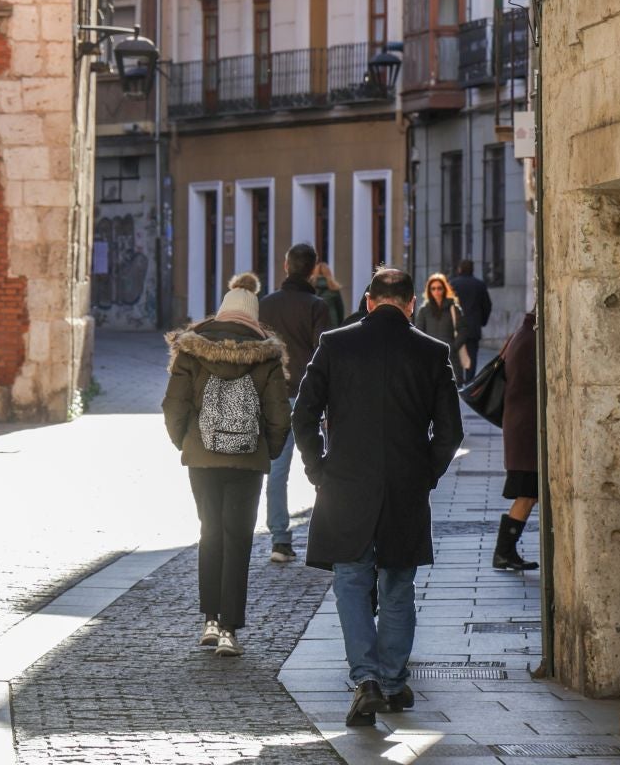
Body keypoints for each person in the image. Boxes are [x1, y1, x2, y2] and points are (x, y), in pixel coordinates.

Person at [296, 267, 463, 727]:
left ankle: (366, 680)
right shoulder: (432, 352)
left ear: (370, 301)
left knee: (351, 580)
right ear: (410, 303)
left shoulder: (335, 343)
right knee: (397, 585)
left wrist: (318, 470)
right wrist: (425, 474)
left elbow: (303, 414)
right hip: (404, 486)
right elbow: (451, 431)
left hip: (345, 484)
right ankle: (390, 680)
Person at [163, 274, 293, 659]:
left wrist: (186, 443)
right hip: (247, 459)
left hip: (201, 457)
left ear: (222, 309)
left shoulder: (193, 349)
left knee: (210, 533)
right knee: (238, 538)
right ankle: (229, 630)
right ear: (253, 317)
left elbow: (174, 405)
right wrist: (266, 450)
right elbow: (279, 415)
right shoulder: (266, 354)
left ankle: (208, 619)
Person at [260, 246, 333, 564]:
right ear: (314, 269)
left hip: (274, 395)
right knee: (323, 466)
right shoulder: (317, 306)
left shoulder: (266, 305)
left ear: (286, 265)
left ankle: (279, 539)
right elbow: (323, 353)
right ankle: (329, 534)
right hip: (309, 397)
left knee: (277, 471)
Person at [493, 312, 538, 571]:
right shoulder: (530, 339)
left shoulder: (521, 336)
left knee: (528, 494)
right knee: (527, 494)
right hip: (526, 433)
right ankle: (504, 552)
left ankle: (505, 551)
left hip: (522, 429)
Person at [412, 274, 463, 384]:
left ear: (445, 289)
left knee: (453, 386)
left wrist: (454, 346)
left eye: (439, 288)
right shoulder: (424, 310)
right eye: (433, 288)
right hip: (430, 355)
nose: (436, 291)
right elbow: (419, 332)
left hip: (451, 354)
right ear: (429, 290)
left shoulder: (453, 308)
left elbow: (463, 330)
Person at [448, 259, 493, 381]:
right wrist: (482, 321)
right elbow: (487, 305)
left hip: (455, 326)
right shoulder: (479, 285)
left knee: (456, 353)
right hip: (473, 326)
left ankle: (459, 379)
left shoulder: (453, 284)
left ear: (459, 269)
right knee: (472, 355)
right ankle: (469, 381)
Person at [309, 262, 346, 327]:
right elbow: (340, 311)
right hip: (332, 326)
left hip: (315, 326)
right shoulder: (334, 288)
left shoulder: (310, 288)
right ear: (329, 273)